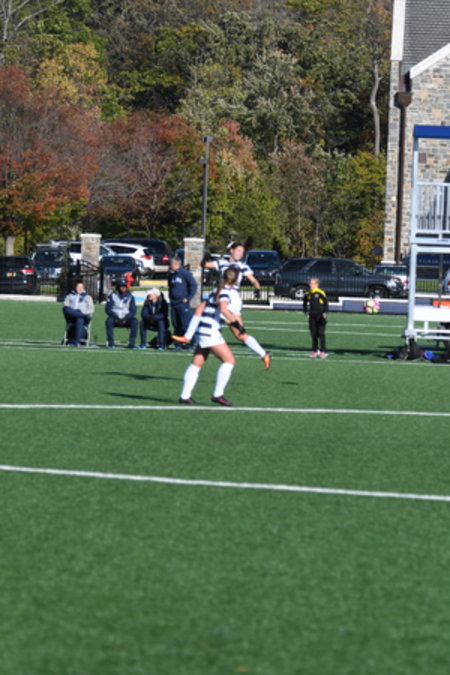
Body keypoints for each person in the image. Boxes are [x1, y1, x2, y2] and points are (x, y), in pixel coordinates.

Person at [183, 241, 271, 369]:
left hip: (231, 297)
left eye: (242, 252)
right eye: (238, 250)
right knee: (202, 309)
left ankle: (263, 354)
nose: (240, 254)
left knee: (238, 333)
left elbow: (253, 280)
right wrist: (204, 258)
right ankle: (190, 337)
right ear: (231, 250)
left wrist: (257, 289)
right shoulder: (222, 262)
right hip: (221, 292)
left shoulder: (242, 266)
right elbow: (205, 265)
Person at [179, 267, 243, 406]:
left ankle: (184, 396)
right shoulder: (225, 292)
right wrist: (236, 323)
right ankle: (217, 394)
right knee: (229, 361)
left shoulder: (217, 289)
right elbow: (224, 310)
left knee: (196, 363)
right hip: (210, 331)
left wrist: (189, 333)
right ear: (236, 280)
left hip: (202, 329)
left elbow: (202, 307)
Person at [168, 256, 198, 350]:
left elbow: (194, 285)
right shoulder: (172, 274)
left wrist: (188, 298)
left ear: (175, 264)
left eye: (171, 264)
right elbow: (170, 286)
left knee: (185, 324)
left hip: (182, 303)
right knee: (176, 324)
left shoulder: (185, 273)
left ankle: (191, 344)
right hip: (174, 303)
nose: (170, 266)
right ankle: (178, 344)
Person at [105, 278, 138, 348]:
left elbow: (133, 311)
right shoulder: (112, 295)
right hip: (115, 317)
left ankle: (132, 343)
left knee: (135, 322)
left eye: (124, 286)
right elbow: (108, 309)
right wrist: (115, 317)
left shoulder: (131, 297)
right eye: (121, 286)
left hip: (126, 318)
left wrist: (126, 318)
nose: (123, 288)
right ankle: (111, 343)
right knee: (109, 321)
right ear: (118, 287)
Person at [63, 279, 94, 346]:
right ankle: (80, 315)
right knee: (65, 308)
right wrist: (75, 312)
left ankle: (77, 342)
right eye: (78, 287)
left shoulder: (87, 297)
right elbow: (66, 306)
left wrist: (83, 312)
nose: (80, 289)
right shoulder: (70, 296)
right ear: (75, 287)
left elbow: (91, 309)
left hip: (83, 316)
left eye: (81, 287)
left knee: (79, 319)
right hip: (72, 315)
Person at [303, 277, 328, 358]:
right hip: (312, 316)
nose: (311, 285)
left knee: (321, 333)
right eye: (310, 283)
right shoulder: (308, 293)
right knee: (313, 334)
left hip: (320, 316)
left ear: (317, 284)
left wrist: (325, 312)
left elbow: (326, 304)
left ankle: (323, 351)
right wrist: (306, 312)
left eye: (313, 283)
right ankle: (315, 350)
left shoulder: (321, 292)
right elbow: (304, 304)